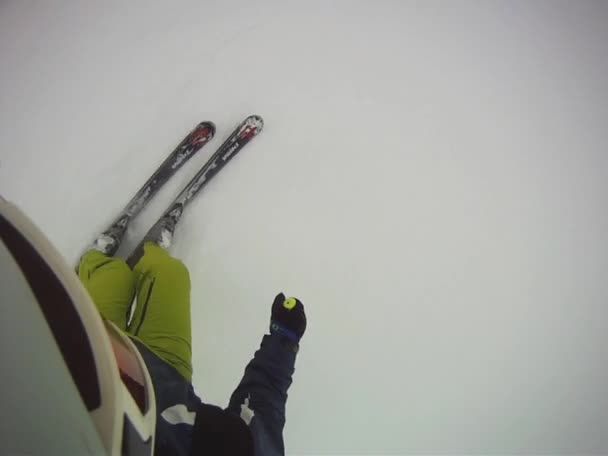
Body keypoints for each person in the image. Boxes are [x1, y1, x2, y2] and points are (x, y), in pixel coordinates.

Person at [76, 214, 307, 455]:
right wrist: (285, 338)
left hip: (93, 370)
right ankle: (152, 252)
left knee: (114, 277)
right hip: (166, 375)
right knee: (172, 273)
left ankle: (95, 261)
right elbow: (262, 406)